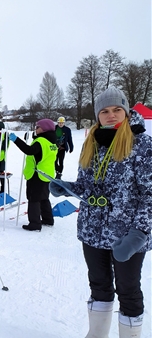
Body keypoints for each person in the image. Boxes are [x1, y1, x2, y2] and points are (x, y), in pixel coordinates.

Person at [49, 87, 152, 338]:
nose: (111, 115)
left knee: (127, 290)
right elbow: (87, 186)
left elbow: (150, 194)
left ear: (126, 112)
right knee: (99, 287)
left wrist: (139, 233)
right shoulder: (92, 142)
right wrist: (68, 188)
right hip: (93, 231)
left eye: (117, 109)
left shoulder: (142, 144)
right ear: (98, 116)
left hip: (126, 235)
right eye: (104, 111)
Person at [9, 119, 57, 231]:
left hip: (37, 174)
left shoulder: (40, 141)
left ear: (44, 129)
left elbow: (29, 150)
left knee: (34, 198)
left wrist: (16, 140)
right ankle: (48, 219)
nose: (36, 129)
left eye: (37, 127)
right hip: (47, 174)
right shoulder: (52, 142)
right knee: (44, 197)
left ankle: (34, 223)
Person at [0, 121, 11, 193]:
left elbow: (6, 145)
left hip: (1, 158)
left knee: (1, 174)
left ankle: (2, 190)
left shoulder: (5, 134)